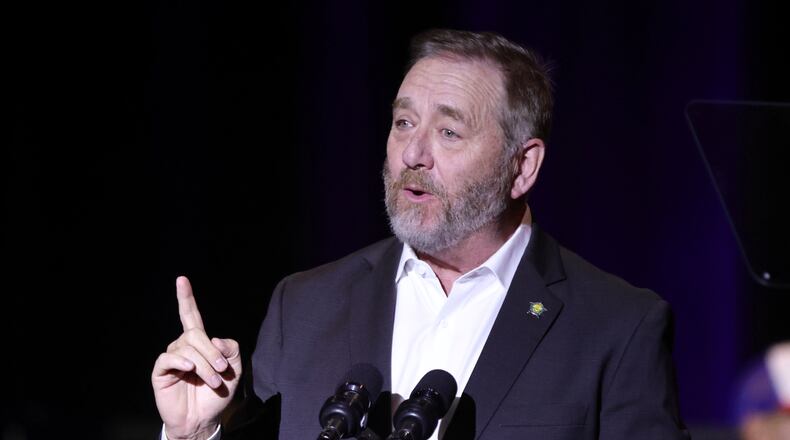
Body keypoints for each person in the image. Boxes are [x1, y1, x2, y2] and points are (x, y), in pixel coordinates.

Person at [152, 28, 690, 439]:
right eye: (404, 123)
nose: (413, 154)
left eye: (449, 132)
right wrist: (197, 433)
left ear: (522, 167)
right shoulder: (306, 306)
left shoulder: (617, 328)